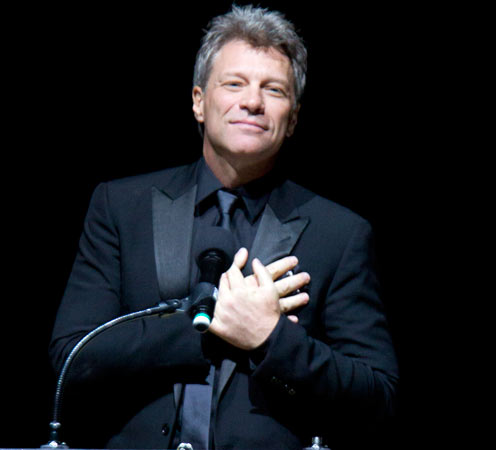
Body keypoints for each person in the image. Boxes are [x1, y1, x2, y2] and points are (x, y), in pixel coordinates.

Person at [49, 5, 398, 450]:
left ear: (292, 119)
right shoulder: (121, 206)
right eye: (234, 83)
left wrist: (270, 340)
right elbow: (71, 360)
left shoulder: (340, 233)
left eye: (273, 89)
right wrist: (205, 327)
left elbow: (378, 398)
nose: (252, 101)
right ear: (198, 101)